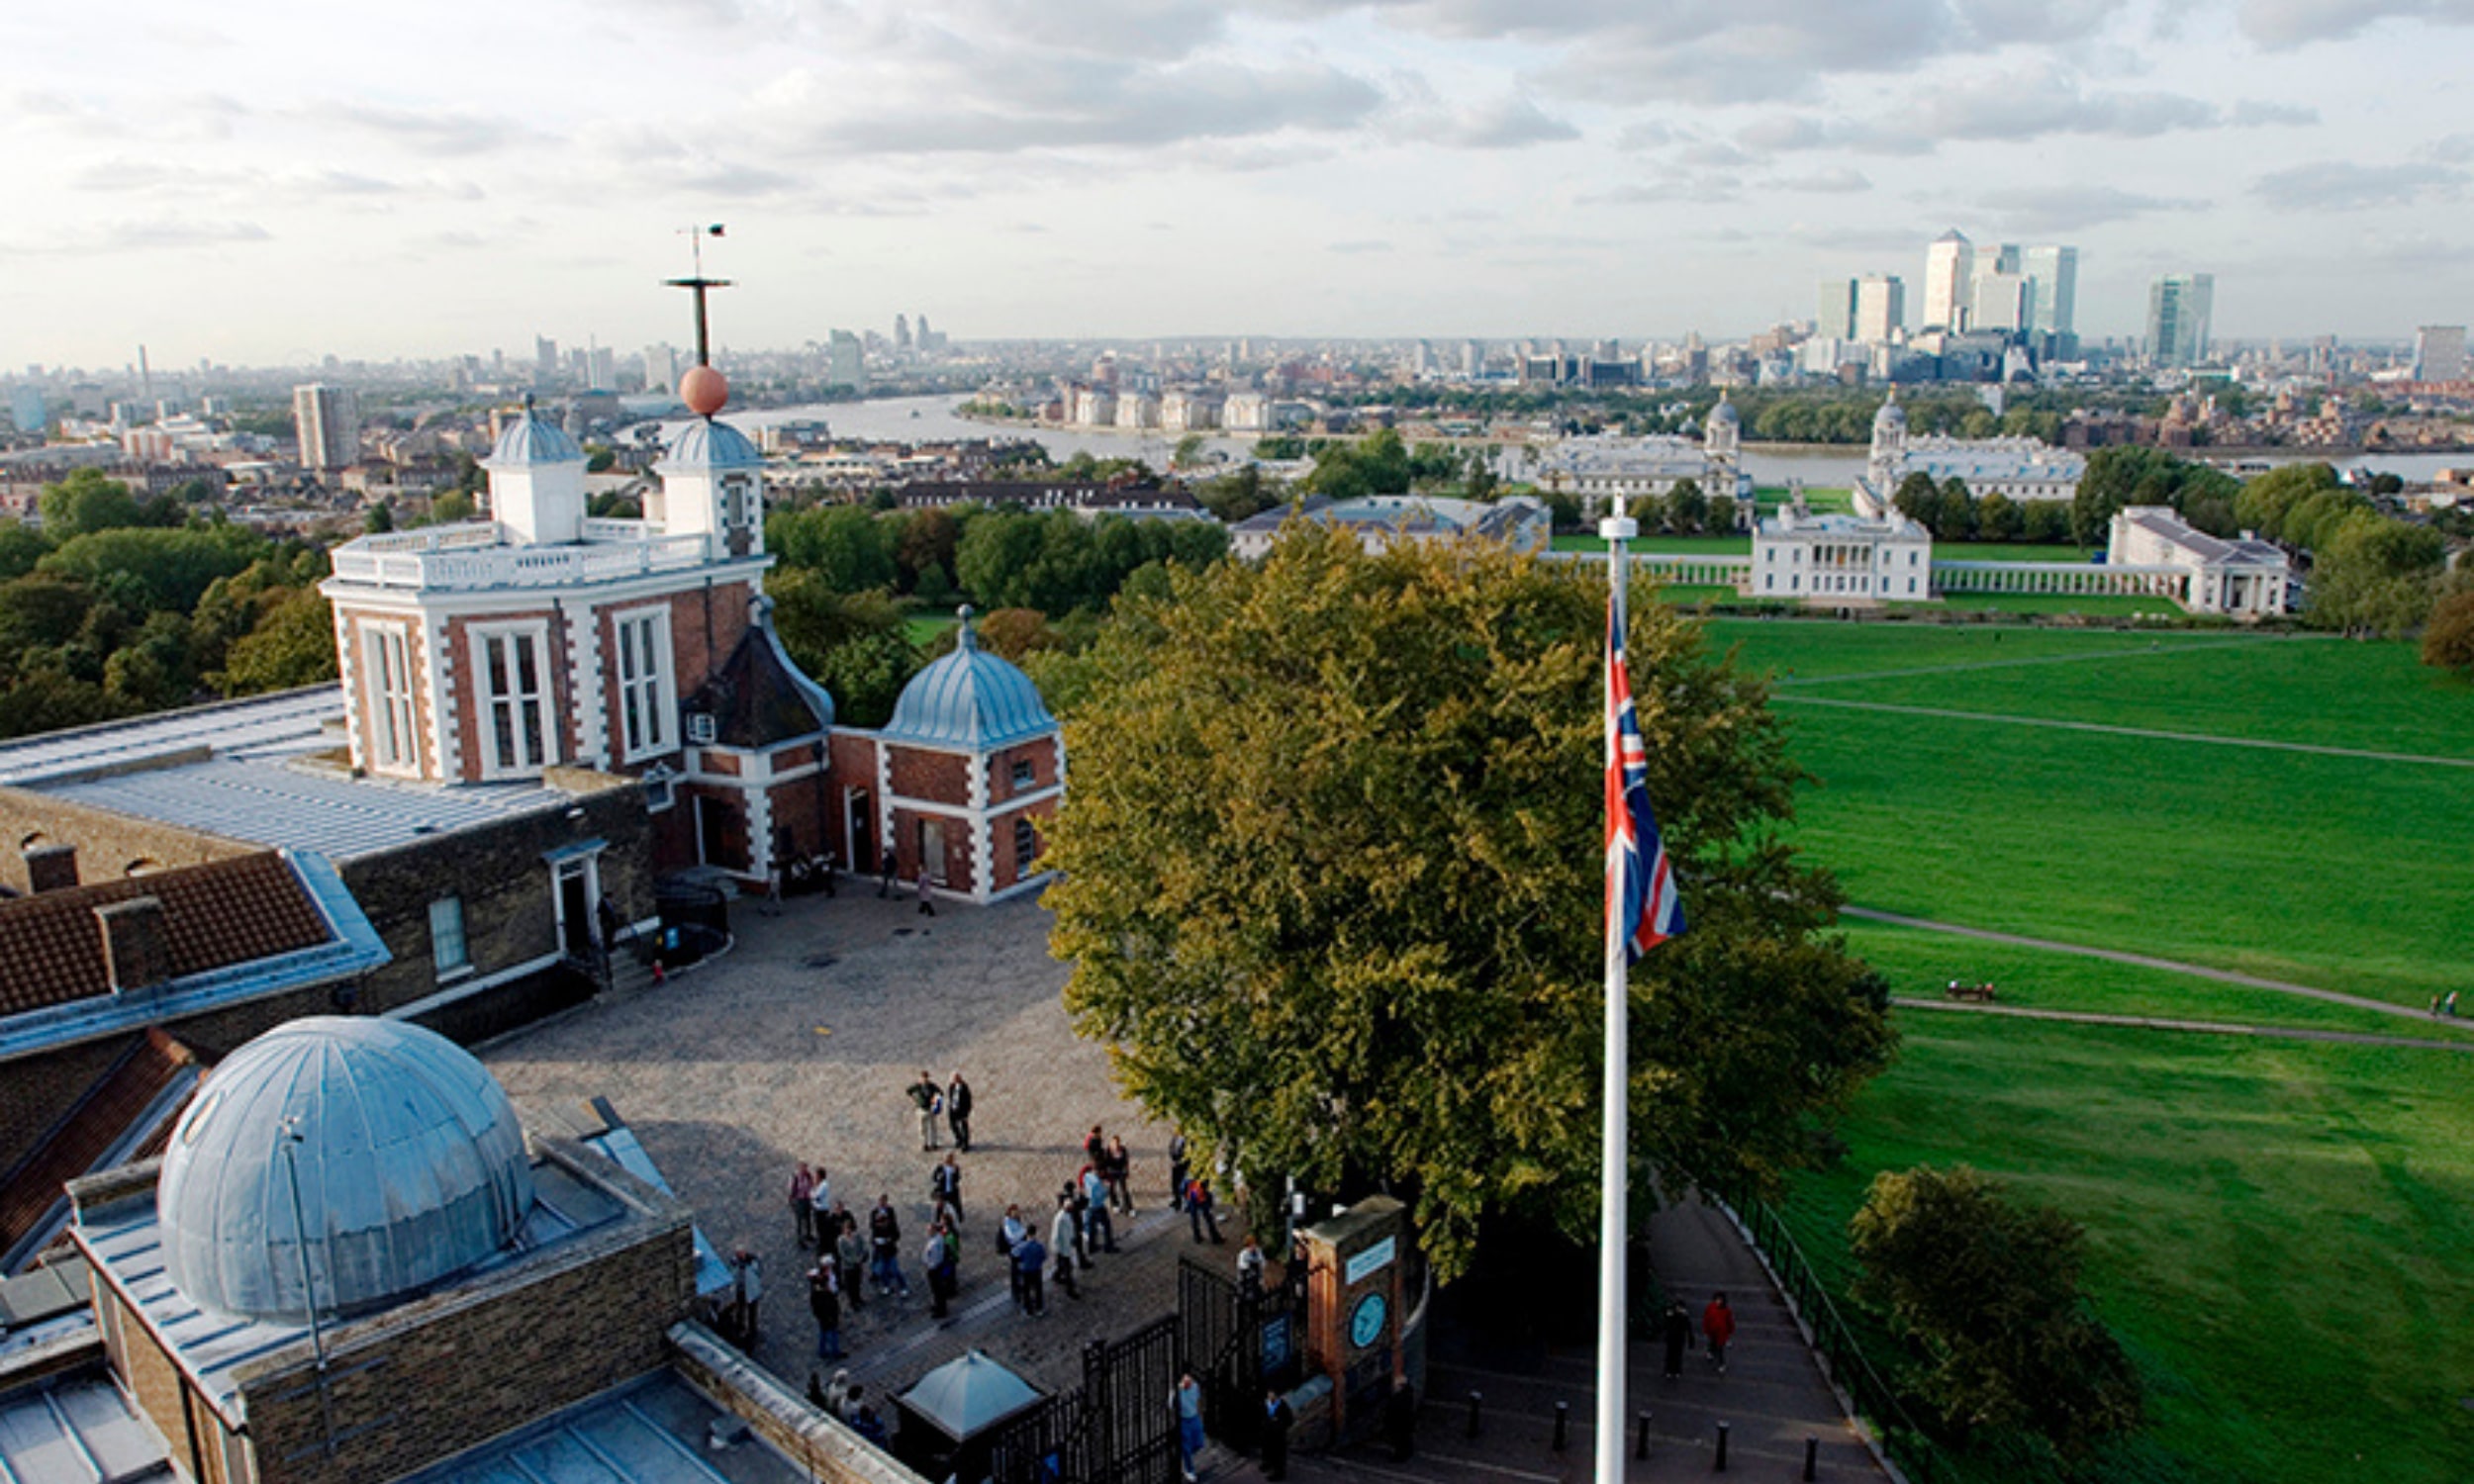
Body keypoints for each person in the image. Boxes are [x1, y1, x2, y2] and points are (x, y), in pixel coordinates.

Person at [869, 1195, 909, 1297]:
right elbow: (872, 1238)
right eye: (878, 1221)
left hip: (890, 1251)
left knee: (895, 1270)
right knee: (882, 1270)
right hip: (881, 1251)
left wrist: (889, 1239)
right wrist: (876, 1241)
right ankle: (886, 1285)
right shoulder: (876, 1227)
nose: (880, 1224)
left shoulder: (891, 1226)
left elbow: (897, 1235)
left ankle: (903, 1287)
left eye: (882, 1221)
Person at [1172, 1370, 1205, 1484]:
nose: (1188, 1382)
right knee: (1186, 1446)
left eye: (1189, 1379)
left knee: (1199, 1443)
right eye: (1186, 1379)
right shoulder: (1176, 1391)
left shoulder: (1195, 1386)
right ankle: (1188, 1469)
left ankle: (1185, 1459)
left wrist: (1200, 1413)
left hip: (1194, 1417)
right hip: (1184, 1420)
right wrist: (1177, 1392)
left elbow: (1198, 1400)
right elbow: (1171, 1405)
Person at [1050, 1195, 1084, 1301]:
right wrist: (1056, 1248)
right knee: (1068, 1269)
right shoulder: (1060, 1218)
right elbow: (1055, 1235)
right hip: (1063, 1247)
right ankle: (1070, 1290)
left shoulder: (1066, 1215)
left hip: (1066, 1246)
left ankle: (1056, 1276)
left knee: (1062, 1265)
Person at [924, 1220, 959, 1320]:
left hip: (934, 1268)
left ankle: (941, 1310)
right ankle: (937, 1305)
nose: (928, 1231)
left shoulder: (936, 1242)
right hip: (934, 1267)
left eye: (929, 1230)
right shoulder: (936, 1238)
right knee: (936, 1290)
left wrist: (930, 1265)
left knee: (938, 1290)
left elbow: (935, 1257)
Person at [729, 1249, 763, 1350]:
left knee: (752, 1312)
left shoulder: (752, 1262)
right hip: (741, 1290)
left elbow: (757, 1272)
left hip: (751, 1291)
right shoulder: (735, 1263)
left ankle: (752, 1330)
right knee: (740, 1310)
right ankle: (740, 1327)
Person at [834, 1209, 868, 1311]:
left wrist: (861, 1257)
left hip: (858, 1264)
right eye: (846, 1229)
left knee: (857, 1282)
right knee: (850, 1285)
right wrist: (854, 1260)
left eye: (849, 1229)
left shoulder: (857, 1236)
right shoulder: (841, 1240)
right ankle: (852, 1302)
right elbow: (842, 1254)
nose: (848, 1231)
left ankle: (858, 1298)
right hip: (848, 1266)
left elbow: (863, 1246)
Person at [809, 1261, 843, 1360]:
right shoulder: (821, 1293)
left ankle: (822, 1351)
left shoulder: (816, 1292)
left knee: (824, 1332)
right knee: (832, 1333)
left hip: (824, 1316)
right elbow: (827, 1304)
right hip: (828, 1316)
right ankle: (835, 1352)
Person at [1082, 1163, 1117, 1254]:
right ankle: (1108, 1246)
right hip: (1097, 1206)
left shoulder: (1087, 1176)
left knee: (1091, 1227)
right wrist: (1107, 1188)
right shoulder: (1098, 1183)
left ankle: (1091, 1247)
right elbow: (1102, 1196)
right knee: (1106, 1226)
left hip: (1088, 1206)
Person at [1261, 1387, 1294, 1482]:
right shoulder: (1265, 1404)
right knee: (1267, 1450)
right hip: (1267, 1432)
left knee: (1278, 1454)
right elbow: (1262, 1415)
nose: (1270, 1396)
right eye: (1269, 1394)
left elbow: (1289, 1420)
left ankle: (1279, 1473)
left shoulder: (1282, 1406)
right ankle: (1267, 1464)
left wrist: (1279, 1424)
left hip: (1278, 1434)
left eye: (1272, 1394)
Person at [999, 1204, 1028, 1309]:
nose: (1018, 1214)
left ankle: (1020, 1289)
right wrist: (1023, 1232)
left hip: (1020, 1250)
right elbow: (1012, 1238)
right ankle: (1016, 1292)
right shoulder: (1007, 1224)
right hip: (1014, 1251)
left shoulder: (1015, 1221)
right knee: (1015, 1272)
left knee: (1020, 1271)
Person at [1014, 1229, 1048, 1316]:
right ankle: (1039, 1308)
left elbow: (1016, 1255)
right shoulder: (1039, 1246)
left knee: (1026, 1290)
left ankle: (1028, 1308)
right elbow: (1044, 1257)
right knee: (1038, 1289)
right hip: (1036, 1270)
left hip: (1026, 1271)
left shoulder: (1022, 1246)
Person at [908, 1071, 944, 1152]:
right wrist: (915, 1099)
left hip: (931, 1109)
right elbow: (909, 1091)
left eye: (926, 1078)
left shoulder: (932, 1086)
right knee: (922, 1128)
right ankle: (924, 1144)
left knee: (933, 1127)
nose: (925, 1079)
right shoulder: (917, 1086)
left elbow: (940, 1093)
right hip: (921, 1109)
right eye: (923, 1078)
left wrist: (935, 1100)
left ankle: (934, 1143)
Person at [1702, 1292, 1735, 1375]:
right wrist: (1706, 1328)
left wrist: (1730, 1331)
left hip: (1721, 1333)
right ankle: (1711, 1352)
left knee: (1720, 1349)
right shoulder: (1711, 1308)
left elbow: (1729, 1321)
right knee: (1712, 1343)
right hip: (1713, 1331)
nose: (1718, 1301)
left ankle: (1721, 1363)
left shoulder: (1725, 1310)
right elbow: (1706, 1319)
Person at [1185, 1175, 1222, 1244]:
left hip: (1192, 1200)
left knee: (1194, 1219)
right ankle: (1215, 1238)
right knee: (1208, 1219)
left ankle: (1197, 1237)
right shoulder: (1203, 1175)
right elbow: (1208, 1190)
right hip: (1202, 1199)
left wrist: (1187, 1202)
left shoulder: (1188, 1176)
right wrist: (1210, 1202)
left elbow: (1183, 1188)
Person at [1661, 1299, 1693, 1379]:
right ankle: (1670, 1370)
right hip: (1673, 1338)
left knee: (1677, 1355)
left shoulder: (1683, 1316)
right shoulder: (1672, 1314)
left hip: (1678, 1338)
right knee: (1671, 1355)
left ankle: (1675, 1370)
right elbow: (1666, 1324)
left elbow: (1688, 1328)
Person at [1103, 1134, 1134, 1213]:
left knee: (1124, 1190)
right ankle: (1115, 1204)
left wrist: (1127, 1171)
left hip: (1121, 1171)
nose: (1115, 1145)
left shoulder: (1123, 1150)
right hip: (1111, 1172)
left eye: (1117, 1143)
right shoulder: (1108, 1151)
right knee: (1112, 1189)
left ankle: (1128, 1207)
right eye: (1114, 1143)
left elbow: (1126, 1161)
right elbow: (1105, 1163)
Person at [932, 1153, 964, 1224]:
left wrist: (955, 1172)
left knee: (956, 1205)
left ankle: (959, 1219)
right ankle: (937, 1221)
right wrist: (939, 1179)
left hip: (952, 1191)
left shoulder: (955, 1167)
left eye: (950, 1158)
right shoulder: (940, 1167)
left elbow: (957, 1179)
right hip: (943, 1191)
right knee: (940, 1207)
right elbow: (934, 1177)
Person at [946, 1070, 974, 1152]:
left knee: (964, 1127)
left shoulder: (964, 1087)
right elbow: (951, 1097)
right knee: (953, 1125)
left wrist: (967, 1112)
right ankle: (959, 1139)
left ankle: (965, 1143)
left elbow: (968, 1100)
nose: (953, 1080)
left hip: (962, 1110)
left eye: (955, 1078)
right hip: (953, 1109)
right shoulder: (951, 1086)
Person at [790, 1162, 816, 1247]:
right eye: (802, 1167)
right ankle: (800, 1239)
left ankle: (808, 1235)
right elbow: (792, 1190)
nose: (804, 1169)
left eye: (805, 1167)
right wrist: (793, 1202)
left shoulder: (808, 1175)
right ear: (799, 1168)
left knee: (808, 1219)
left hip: (807, 1200)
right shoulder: (795, 1177)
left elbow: (812, 1186)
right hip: (799, 1201)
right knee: (800, 1221)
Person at [1169, 1133, 1189, 1211]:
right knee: (1174, 1184)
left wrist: (1180, 1161)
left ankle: (1187, 1203)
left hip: (1183, 1165)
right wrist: (1172, 1158)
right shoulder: (1175, 1137)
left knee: (1185, 1185)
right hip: (1175, 1164)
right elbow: (1171, 1147)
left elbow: (1188, 1154)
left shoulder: (1188, 1140)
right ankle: (1177, 1201)